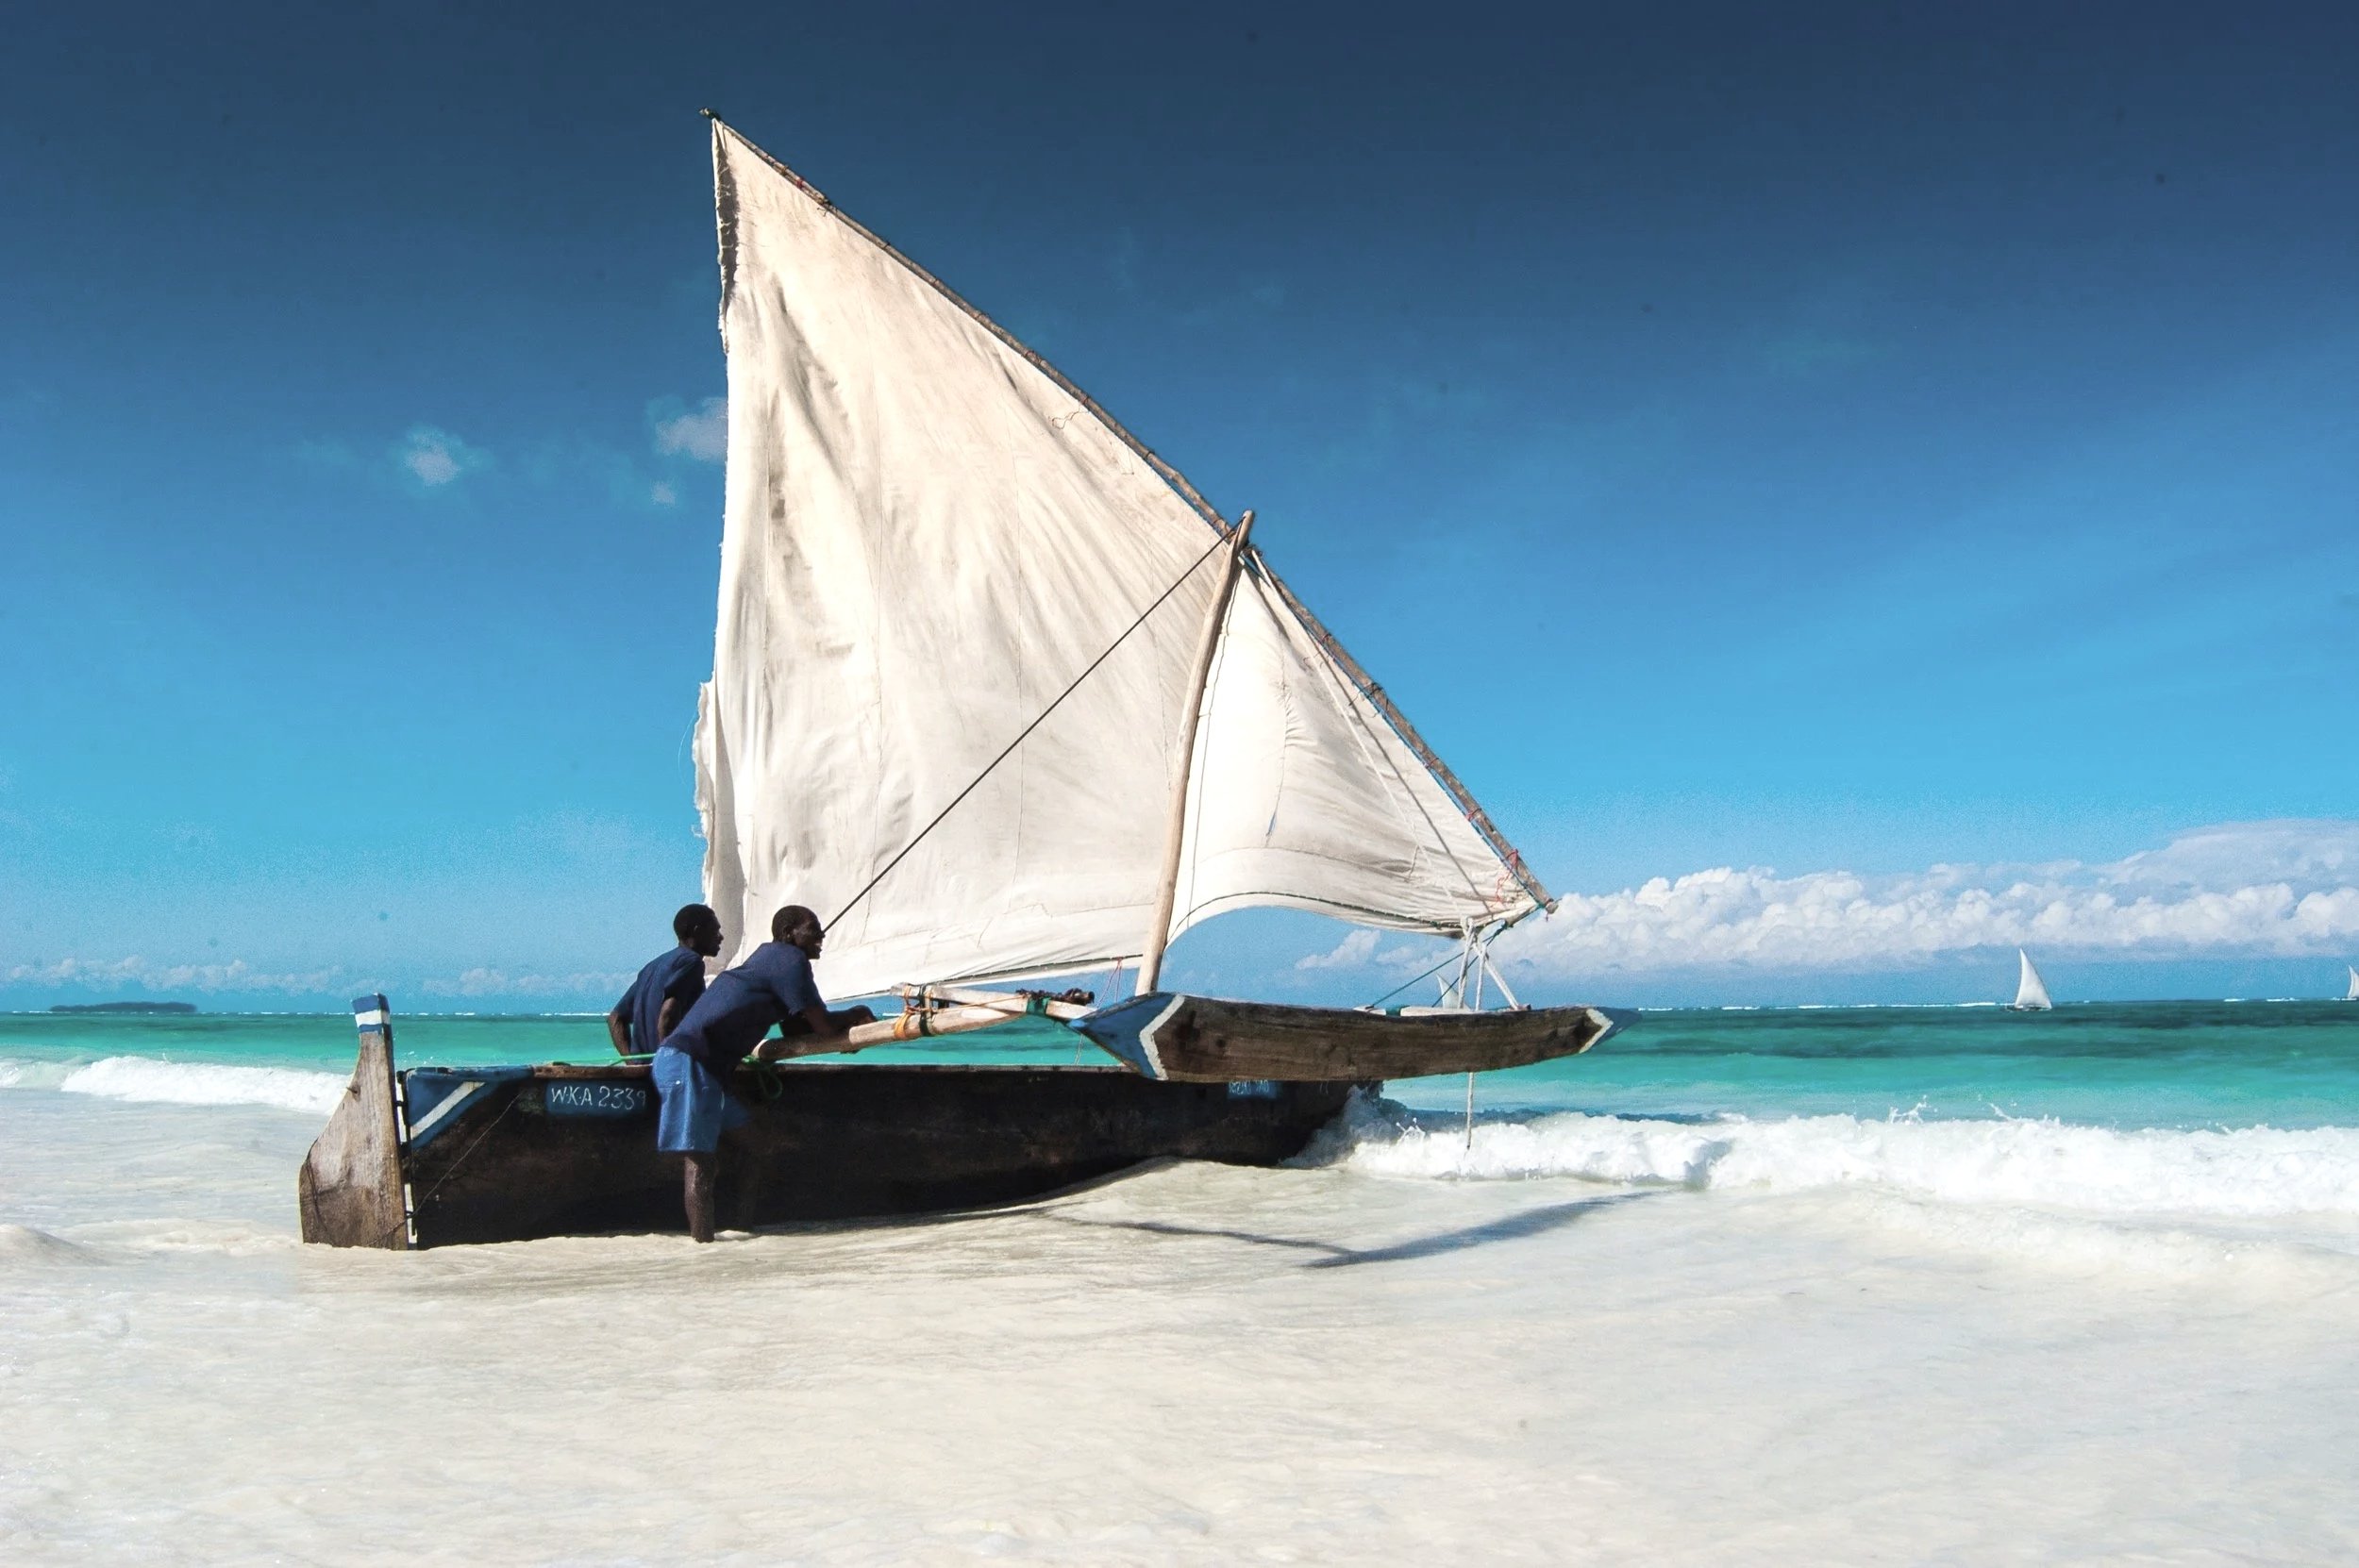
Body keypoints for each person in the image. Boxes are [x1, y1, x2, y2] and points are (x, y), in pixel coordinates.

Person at [651, 903, 878, 1242]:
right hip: (690, 1063)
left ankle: (743, 1230)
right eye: (812, 928)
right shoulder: (789, 960)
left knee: (758, 1146)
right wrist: (856, 1014)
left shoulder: (770, 962)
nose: (821, 935)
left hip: (704, 1071)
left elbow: (795, 1030)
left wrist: (845, 1023)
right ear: (789, 934)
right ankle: (704, 1253)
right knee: (701, 1165)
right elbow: (824, 1026)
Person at [607, 904, 725, 1058]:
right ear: (697, 931)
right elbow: (668, 1014)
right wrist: (668, 1064)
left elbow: (615, 1018)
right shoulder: (692, 962)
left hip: (644, 1072)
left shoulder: (651, 968)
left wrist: (631, 1062)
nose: (720, 937)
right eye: (715, 930)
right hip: (667, 1074)